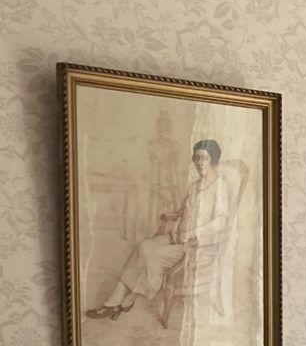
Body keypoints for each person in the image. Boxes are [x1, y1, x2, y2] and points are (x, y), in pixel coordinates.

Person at [87, 138, 239, 329]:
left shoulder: (220, 188)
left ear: (213, 160)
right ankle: (115, 300)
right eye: (197, 158)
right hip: (179, 237)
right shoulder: (195, 186)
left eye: (204, 158)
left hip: (199, 243)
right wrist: (176, 229)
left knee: (154, 258)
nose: (200, 163)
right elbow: (185, 213)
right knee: (143, 247)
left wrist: (192, 233)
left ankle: (126, 300)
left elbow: (220, 223)